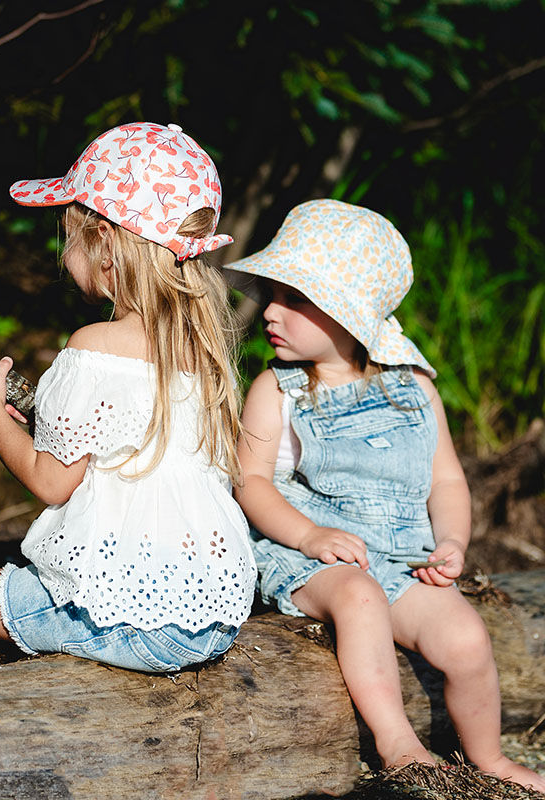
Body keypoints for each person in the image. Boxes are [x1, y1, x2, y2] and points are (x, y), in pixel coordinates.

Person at [226, 199, 545, 791]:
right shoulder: (278, 389)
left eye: (295, 299)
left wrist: (451, 540)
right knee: (359, 596)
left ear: (350, 315)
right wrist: (308, 535)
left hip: (399, 553)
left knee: (467, 638)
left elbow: (445, 479)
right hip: (302, 548)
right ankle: (396, 739)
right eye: (272, 293)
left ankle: (490, 757)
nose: (270, 310)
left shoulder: (414, 387)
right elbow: (252, 482)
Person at [0, 122, 257, 674]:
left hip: (136, 619)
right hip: (210, 618)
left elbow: (51, 479)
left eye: (70, 235)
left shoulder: (95, 348)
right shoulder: (202, 352)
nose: (63, 253)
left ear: (105, 244)